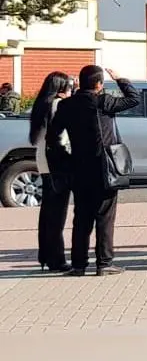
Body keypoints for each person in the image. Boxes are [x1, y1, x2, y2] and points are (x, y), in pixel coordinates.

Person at [47, 66, 140, 276]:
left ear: (80, 82)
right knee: (105, 216)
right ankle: (104, 263)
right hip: (106, 168)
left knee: (81, 218)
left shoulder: (66, 105)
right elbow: (134, 98)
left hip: (79, 167)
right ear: (99, 84)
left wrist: (65, 157)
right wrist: (120, 78)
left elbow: (53, 136)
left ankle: (79, 265)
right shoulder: (104, 101)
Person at [29, 72, 74, 272]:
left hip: (44, 160)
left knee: (47, 212)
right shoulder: (58, 104)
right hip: (57, 161)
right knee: (57, 213)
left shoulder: (42, 103)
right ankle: (57, 260)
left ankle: (46, 255)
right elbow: (61, 137)